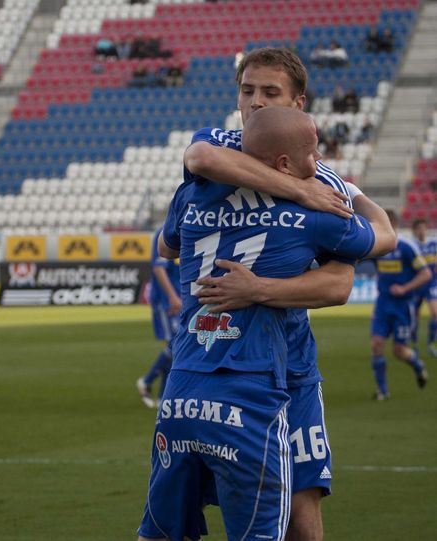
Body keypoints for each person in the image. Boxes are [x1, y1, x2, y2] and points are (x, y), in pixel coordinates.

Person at [171, 47, 395, 541]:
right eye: (247, 91)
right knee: (179, 508)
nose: (254, 102)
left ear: (299, 105)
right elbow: (199, 158)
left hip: (288, 363)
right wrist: (296, 190)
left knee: (301, 502)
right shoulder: (216, 148)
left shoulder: (325, 180)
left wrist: (259, 288)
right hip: (211, 359)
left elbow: (340, 281)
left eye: (270, 92)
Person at [370, 210, 432, 400]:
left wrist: (405, 288)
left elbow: (426, 274)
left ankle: (418, 365)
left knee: (399, 351)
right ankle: (383, 391)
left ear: (392, 224)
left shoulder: (406, 247)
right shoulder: (377, 246)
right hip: (383, 303)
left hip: (403, 306)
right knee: (377, 344)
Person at [137, 227, 182, 408]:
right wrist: (172, 297)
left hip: (180, 299)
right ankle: (147, 381)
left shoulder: (185, 226)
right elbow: (159, 268)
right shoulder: (165, 230)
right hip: (167, 301)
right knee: (175, 345)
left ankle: (164, 397)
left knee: (175, 349)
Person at [411, 218, 437, 356]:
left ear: (427, 229)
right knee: (414, 317)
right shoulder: (413, 246)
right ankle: (414, 344)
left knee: (435, 313)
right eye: (419, 228)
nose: (421, 231)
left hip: (431, 284)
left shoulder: (434, 244)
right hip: (417, 284)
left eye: (423, 228)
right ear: (415, 231)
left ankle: (431, 344)